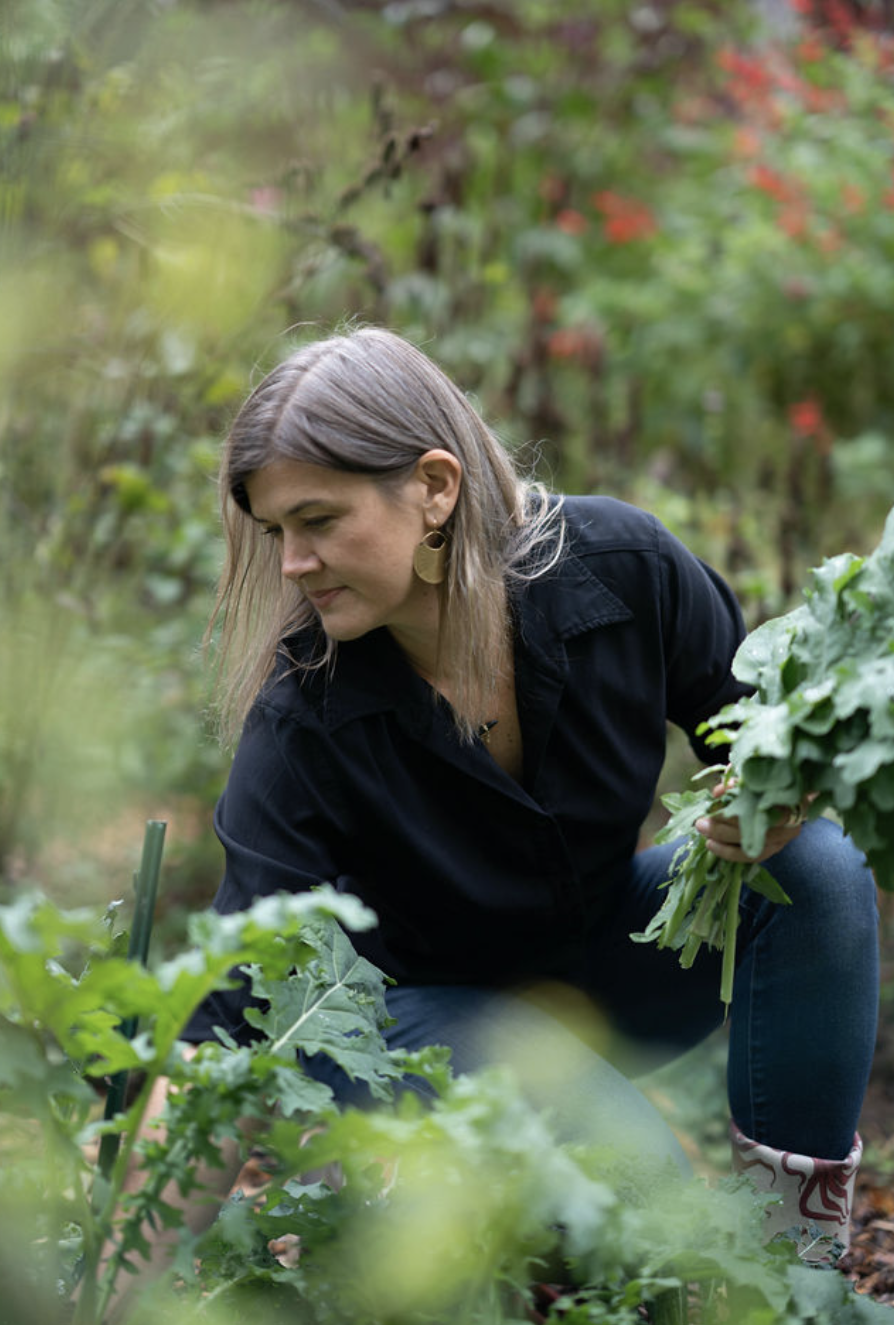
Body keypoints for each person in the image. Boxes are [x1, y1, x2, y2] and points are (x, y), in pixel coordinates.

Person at [177, 325, 877, 1257]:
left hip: (596, 973)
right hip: (417, 1033)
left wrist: (777, 800)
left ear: (435, 486)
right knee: (647, 1191)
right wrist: (107, 1280)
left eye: (317, 520)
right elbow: (234, 1016)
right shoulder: (305, 718)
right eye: (275, 531)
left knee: (819, 870)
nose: (291, 565)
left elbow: (759, 727)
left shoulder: (622, 570)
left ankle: (802, 1268)